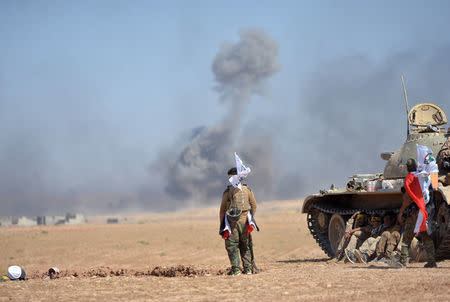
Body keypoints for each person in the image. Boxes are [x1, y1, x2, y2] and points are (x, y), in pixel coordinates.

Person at [397, 158, 437, 268]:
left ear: (407, 167)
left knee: (407, 236)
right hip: (425, 210)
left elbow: (408, 199)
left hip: (414, 212)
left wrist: (400, 213)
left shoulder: (410, 178)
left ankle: (403, 260)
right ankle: (432, 261)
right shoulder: (424, 177)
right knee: (426, 236)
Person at [219, 167, 257, 276]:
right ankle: (248, 269)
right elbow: (254, 206)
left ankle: (236, 270)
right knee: (245, 245)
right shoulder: (248, 190)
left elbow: (222, 210)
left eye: (230, 177)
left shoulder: (228, 192)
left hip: (232, 224)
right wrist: (249, 218)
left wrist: (222, 225)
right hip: (245, 223)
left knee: (232, 245)